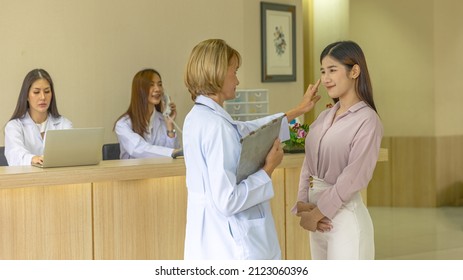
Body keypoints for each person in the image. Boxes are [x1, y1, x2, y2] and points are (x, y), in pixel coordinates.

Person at [182, 38, 321, 260]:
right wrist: (267, 170)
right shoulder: (217, 126)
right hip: (232, 246)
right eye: (234, 71)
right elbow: (228, 200)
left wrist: (297, 110)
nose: (237, 80)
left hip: (209, 240)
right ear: (217, 72)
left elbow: (247, 130)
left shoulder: (197, 117)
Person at [293, 41, 383, 260]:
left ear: (354, 71)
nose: (325, 79)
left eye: (332, 70)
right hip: (317, 219)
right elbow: (309, 163)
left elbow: (354, 177)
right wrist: (303, 204)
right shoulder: (324, 117)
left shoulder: (367, 120)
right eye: (323, 71)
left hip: (344, 220)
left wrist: (318, 212)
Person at [4, 69, 73, 166]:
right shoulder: (14, 126)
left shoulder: (64, 124)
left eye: (47, 91)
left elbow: (70, 156)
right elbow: (15, 154)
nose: (43, 97)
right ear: (27, 96)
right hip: (26, 179)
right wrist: (33, 158)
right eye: (36, 92)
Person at [114, 69, 180, 159]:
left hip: (161, 172)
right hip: (133, 172)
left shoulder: (163, 119)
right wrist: (173, 152)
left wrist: (170, 125)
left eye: (159, 85)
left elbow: (174, 155)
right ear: (140, 90)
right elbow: (139, 148)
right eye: (151, 85)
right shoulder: (123, 124)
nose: (157, 89)